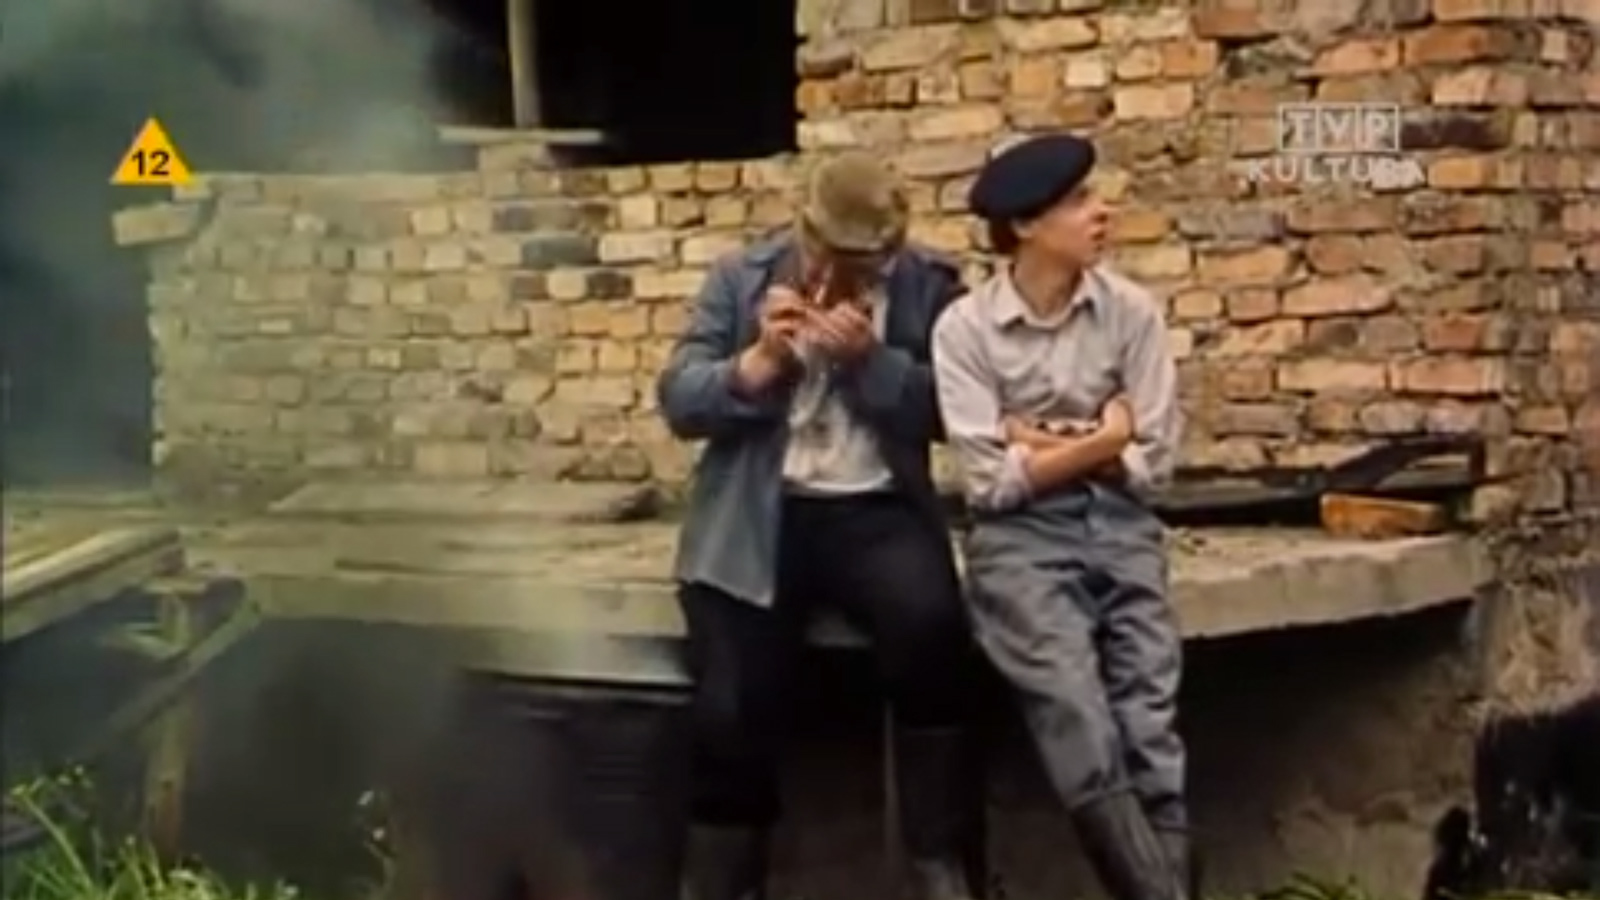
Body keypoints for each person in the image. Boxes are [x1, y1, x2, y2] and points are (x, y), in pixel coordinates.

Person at [655, 153, 983, 900]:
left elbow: (958, 410)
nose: (841, 273)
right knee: (730, 696)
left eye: (863, 264)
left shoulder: (930, 286)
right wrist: (753, 367)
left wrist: (873, 363)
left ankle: (939, 859)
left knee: (933, 630)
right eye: (829, 255)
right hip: (758, 509)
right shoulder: (740, 277)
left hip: (875, 506)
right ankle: (724, 883)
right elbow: (679, 399)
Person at [929, 133, 1190, 900]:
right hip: (1019, 542)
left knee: (1149, 720)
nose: (1101, 212)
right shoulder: (965, 330)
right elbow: (989, 483)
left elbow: (1153, 462)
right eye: (1078, 202)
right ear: (1024, 226)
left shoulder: (1131, 314)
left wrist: (1039, 440)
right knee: (1075, 708)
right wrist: (1103, 438)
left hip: (1121, 525)